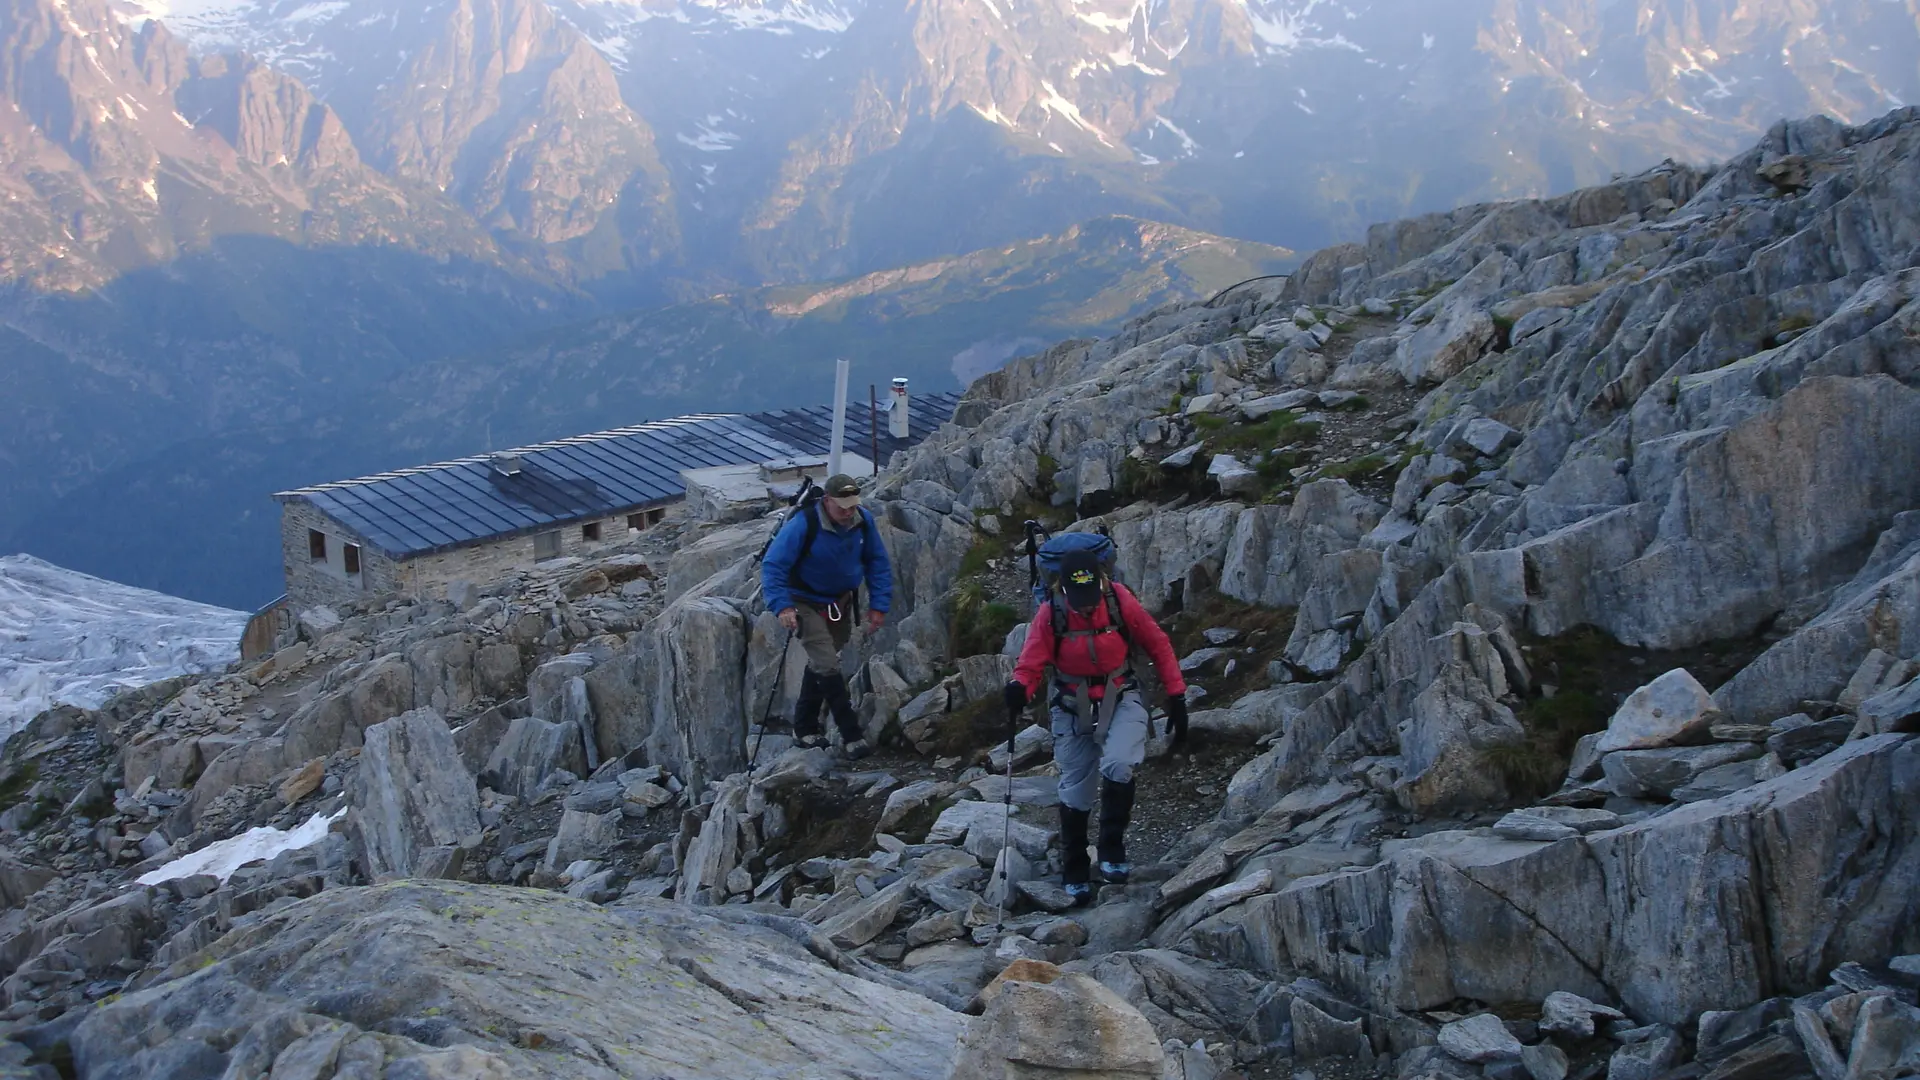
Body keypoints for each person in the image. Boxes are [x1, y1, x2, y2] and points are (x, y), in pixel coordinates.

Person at [1003, 550, 1188, 904]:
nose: (1085, 608)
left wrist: (1177, 696)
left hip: (1122, 694)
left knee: (1118, 764)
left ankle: (1111, 848)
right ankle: (1075, 865)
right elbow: (1031, 663)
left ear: (1102, 583)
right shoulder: (1051, 613)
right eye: (1079, 601)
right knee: (1076, 789)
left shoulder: (1119, 600)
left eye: (1090, 600)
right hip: (1071, 704)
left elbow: (1158, 644)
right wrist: (1019, 689)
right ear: (1064, 589)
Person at [761, 473, 893, 759]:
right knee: (827, 662)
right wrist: (782, 606)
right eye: (841, 507)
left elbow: (877, 562)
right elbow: (773, 566)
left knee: (823, 660)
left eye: (852, 506)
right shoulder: (803, 524)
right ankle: (851, 735)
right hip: (803, 600)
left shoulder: (863, 521)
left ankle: (805, 727)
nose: (848, 512)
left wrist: (879, 605)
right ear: (827, 500)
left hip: (839, 601)